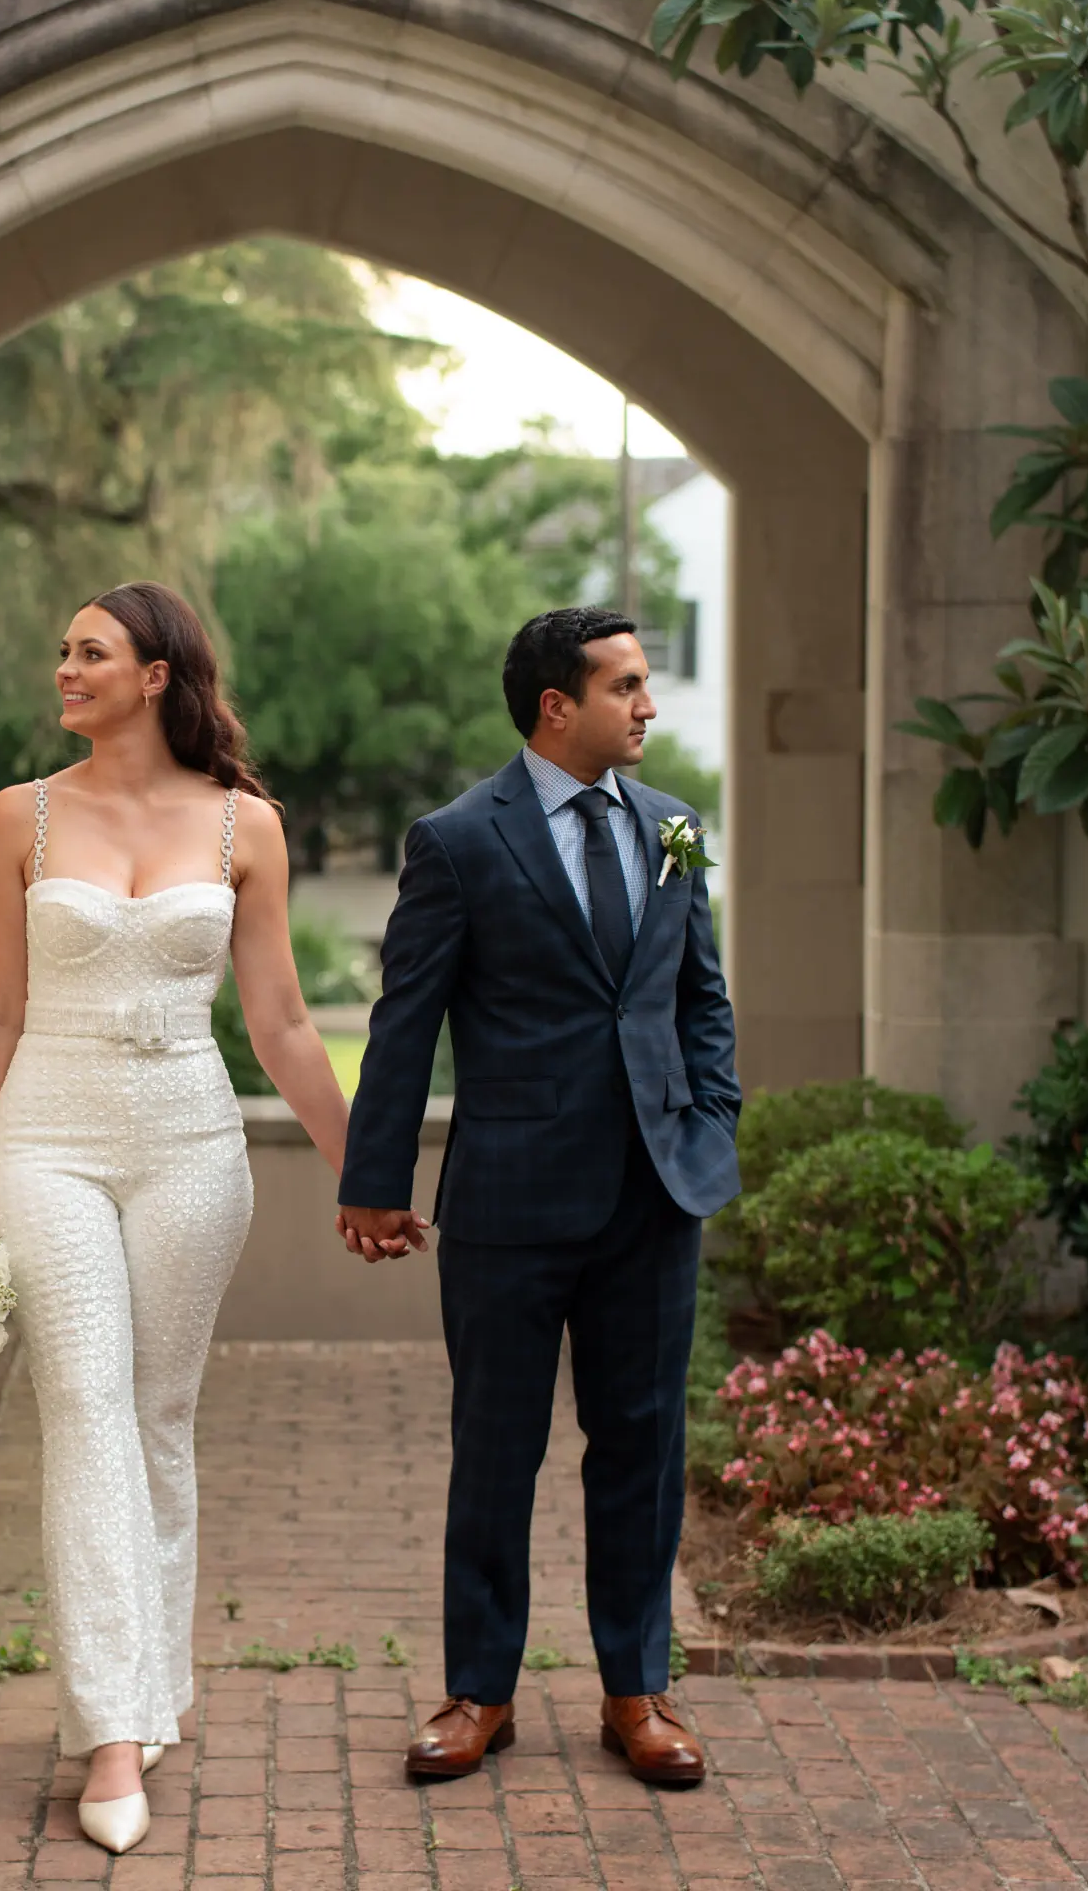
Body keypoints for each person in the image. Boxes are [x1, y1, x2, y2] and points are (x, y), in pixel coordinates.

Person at [0, 582, 373, 1855]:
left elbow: (282, 1023)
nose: (63, 668)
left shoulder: (247, 825)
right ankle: (109, 1732)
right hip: (48, 1142)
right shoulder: (22, 816)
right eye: (62, 648)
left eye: (90, 652)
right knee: (83, 1407)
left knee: (158, 1419)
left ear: (158, 674)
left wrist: (360, 1167)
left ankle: (153, 1686)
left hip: (190, 1138)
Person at [336, 606, 742, 1786]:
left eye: (646, 685)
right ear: (557, 706)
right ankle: (479, 1693)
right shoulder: (459, 840)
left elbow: (697, 999)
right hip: (511, 1201)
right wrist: (376, 1181)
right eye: (626, 686)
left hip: (654, 1198)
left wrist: (709, 1121)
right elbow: (405, 1021)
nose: (648, 707)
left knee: (641, 1449)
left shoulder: (673, 829)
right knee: (495, 1448)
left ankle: (637, 1691)